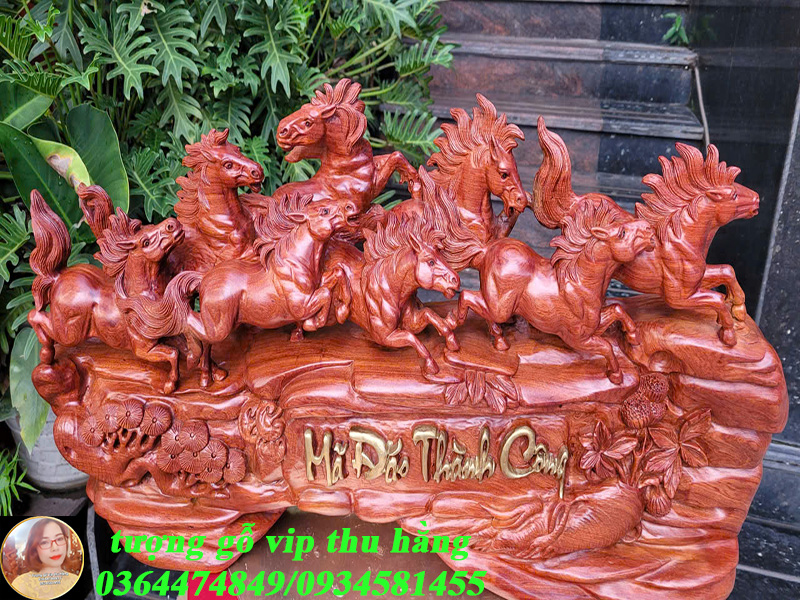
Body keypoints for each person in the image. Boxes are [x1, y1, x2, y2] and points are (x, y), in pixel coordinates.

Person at [10, 519, 80, 600]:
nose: (55, 548)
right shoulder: (21, 584)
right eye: (44, 542)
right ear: (34, 549)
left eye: (59, 539)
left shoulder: (74, 579)